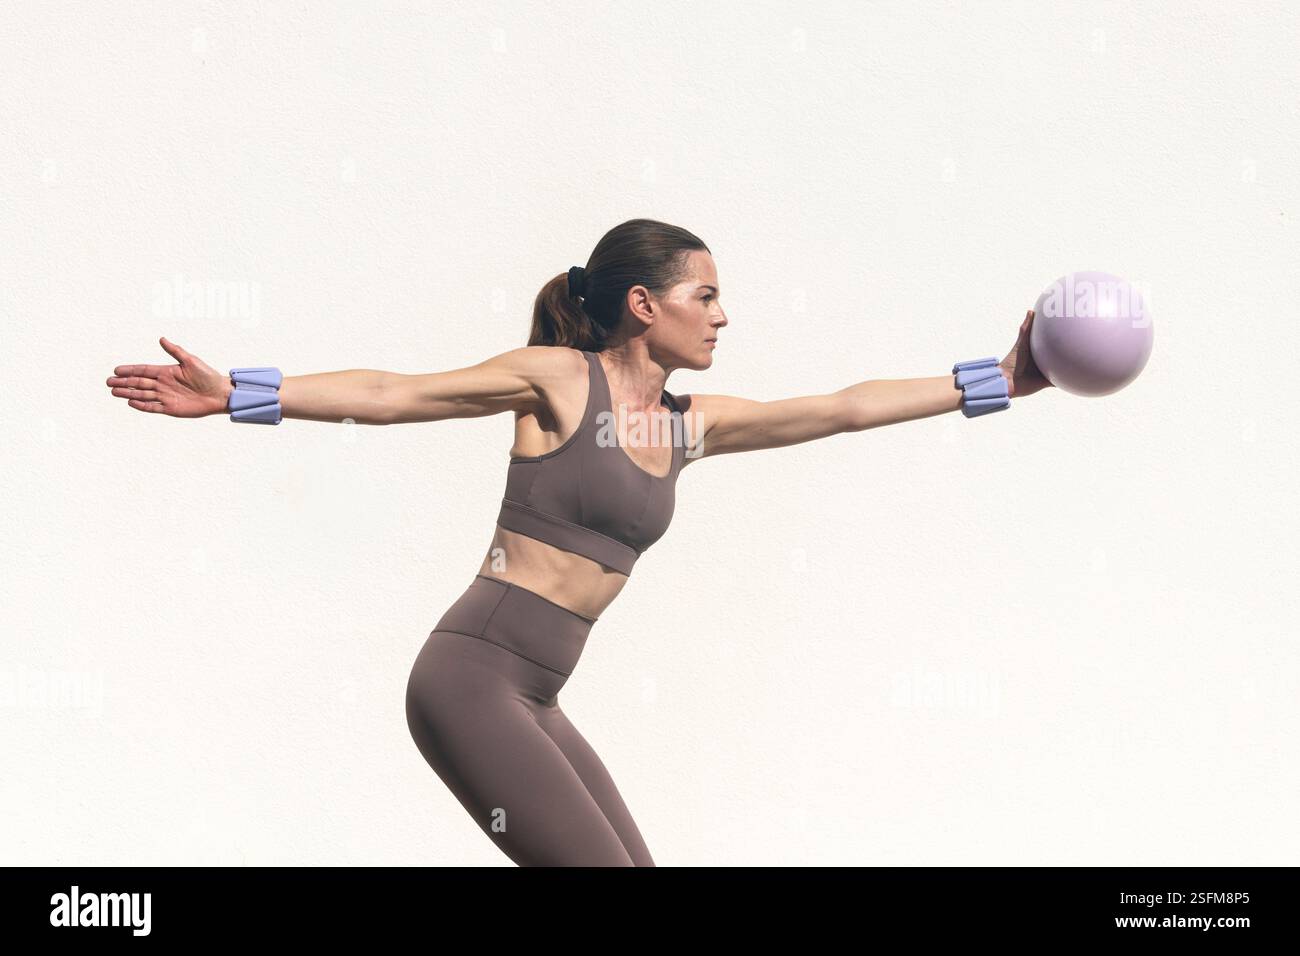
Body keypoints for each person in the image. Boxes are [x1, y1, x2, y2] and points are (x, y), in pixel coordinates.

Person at [105, 217, 1052, 866]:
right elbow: (397, 395)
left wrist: (999, 379)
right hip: (471, 679)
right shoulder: (560, 381)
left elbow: (842, 409)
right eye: (707, 295)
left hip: (539, 696)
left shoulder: (690, 425)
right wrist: (243, 394)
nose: (723, 316)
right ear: (645, 304)